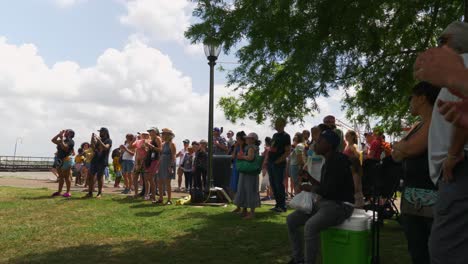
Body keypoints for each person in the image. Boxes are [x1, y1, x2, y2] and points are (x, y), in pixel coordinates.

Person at [425, 21, 468, 264]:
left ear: (453, 42)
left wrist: (453, 154)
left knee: (445, 251)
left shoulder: (462, 66)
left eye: (441, 41)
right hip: (458, 172)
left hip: (458, 173)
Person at [287, 129, 354, 264]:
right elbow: (325, 187)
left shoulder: (338, 161)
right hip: (326, 203)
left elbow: (330, 191)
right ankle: (298, 259)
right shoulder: (328, 161)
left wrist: (310, 188)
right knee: (292, 220)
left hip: (340, 205)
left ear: (328, 145)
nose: (315, 144)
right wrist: (309, 178)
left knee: (310, 226)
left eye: (319, 142)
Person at [392, 82, 440, 264]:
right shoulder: (418, 126)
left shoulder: (437, 120)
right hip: (412, 198)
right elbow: (396, 154)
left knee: (435, 250)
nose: (409, 102)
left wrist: (403, 147)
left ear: (421, 98)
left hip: (433, 197)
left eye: (411, 97)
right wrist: (403, 147)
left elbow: (409, 148)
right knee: (416, 250)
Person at [233, 132, 262, 219]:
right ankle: (244, 211)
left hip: (249, 173)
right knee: (244, 190)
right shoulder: (249, 147)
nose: (246, 139)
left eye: (248, 138)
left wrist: (242, 157)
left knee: (249, 190)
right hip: (248, 172)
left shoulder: (251, 147)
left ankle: (251, 213)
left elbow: (250, 158)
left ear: (253, 139)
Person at [267, 117, 291, 213]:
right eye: (275, 123)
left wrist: (279, 160)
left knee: (278, 184)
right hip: (271, 162)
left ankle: (282, 206)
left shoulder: (286, 136)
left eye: (278, 123)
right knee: (273, 184)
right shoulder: (275, 135)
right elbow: (272, 147)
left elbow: (287, 151)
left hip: (279, 164)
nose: (276, 125)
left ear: (283, 124)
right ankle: (277, 205)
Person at [51, 129, 75, 198]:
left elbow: (65, 148)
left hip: (66, 160)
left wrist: (61, 139)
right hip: (59, 159)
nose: (65, 132)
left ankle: (68, 192)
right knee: (61, 177)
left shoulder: (71, 141)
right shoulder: (63, 140)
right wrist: (59, 134)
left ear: (71, 134)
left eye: (67, 131)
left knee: (66, 177)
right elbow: (53, 140)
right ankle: (59, 191)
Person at [344, 130, 364, 208]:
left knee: (356, 184)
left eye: (348, 135)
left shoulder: (353, 146)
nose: (346, 137)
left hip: (353, 168)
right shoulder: (346, 146)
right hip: (348, 169)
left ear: (353, 137)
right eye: (345, 135)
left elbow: (358, 156)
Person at [156, 128, 177, 205]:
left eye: (164, 134)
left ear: (169, 135)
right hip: (162, 165)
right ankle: (160, 199)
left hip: (168, 165)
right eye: (163, 134)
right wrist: (158, 164)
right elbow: (161, 155)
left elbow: (174, 156)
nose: (162, 135)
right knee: (160, 182)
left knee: (168, 183)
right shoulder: (163, 144)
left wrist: (171, 166)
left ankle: (169, 200)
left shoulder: (172, 144)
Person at [145, 127, 162, 202]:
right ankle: (152, 195)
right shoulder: (152, 139)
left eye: (151, 131)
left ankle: (153, 196)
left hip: (155, 160)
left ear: (155, 132)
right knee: (149, 178)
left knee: (150, 177)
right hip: (151, 160)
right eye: (149, 131)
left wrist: (150, 146)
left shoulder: (157, 138)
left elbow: (160, 149)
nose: (150, 132)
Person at [231, 131, 247, 213]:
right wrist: (235, 148)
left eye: (238, 139)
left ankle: (244, 208)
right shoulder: (236, 147)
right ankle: (237, 206)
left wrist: (240, 146)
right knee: (235, 187)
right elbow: (233, 157)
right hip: (235, 168)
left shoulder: (246, 147)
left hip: (242, 169)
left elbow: (241, 155)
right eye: (236, 139)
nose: (237, 141)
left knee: (242, 188)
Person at [132, 131, 149, 198]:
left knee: (146, 179)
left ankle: (146, 194)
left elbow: (149, 151)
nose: (144, 136)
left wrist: (145, 147)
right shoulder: (138, 141)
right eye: (143, 134)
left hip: (145, 162)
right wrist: (134, 140)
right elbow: (132, 146)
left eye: (146, 135)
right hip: (138, 162)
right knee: (135, 177)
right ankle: (136, 193)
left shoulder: (149, 141)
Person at [261, 136, 273, 201]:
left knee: (266, 181)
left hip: (266, 166)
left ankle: (268, 195)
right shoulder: (271, 148)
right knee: (269, 181)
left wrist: (263, 165)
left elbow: (265, 157)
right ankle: (270, 194)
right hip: (270, 166)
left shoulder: (267, 148)